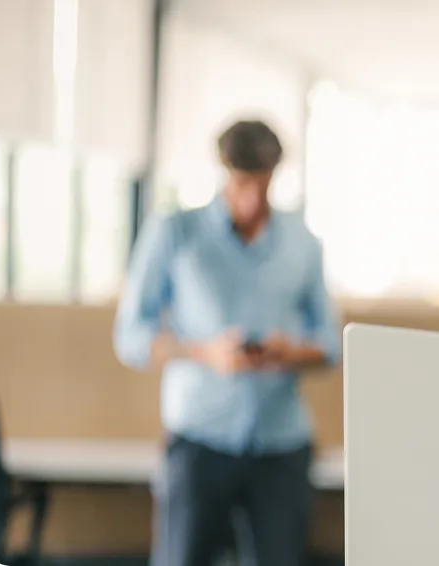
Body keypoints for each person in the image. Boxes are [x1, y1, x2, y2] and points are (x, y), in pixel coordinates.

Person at [113, 120, 340, 566]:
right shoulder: (176, 232)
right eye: (242, 185)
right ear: (222, 173)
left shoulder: (303, 243)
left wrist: (289, 353)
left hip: (281, 445)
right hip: (200, 441)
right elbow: (131, 337)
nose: (253, 199)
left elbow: (331, 344)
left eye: (264, 185)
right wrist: (204, 353)